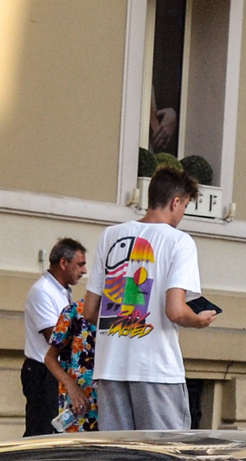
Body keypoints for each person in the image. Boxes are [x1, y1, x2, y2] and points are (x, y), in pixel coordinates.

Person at [93, 166, 217, 429]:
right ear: (175, 202)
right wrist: (198, 320)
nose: (183, 214)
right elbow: (175, 310)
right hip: (155, 368)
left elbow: (91, 310)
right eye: (184, 206)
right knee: (165, 457)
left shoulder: (109, 235)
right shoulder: (179, 242)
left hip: (109, 366)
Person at [22, 239, 90, 436]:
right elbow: (54, 338)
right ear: (63, 263)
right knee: (41, 433)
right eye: (80, 264)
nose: (84, 270)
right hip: (43, 373)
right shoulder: (42, 291)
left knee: (60, 430)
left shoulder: (62, 291)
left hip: (59, 372)